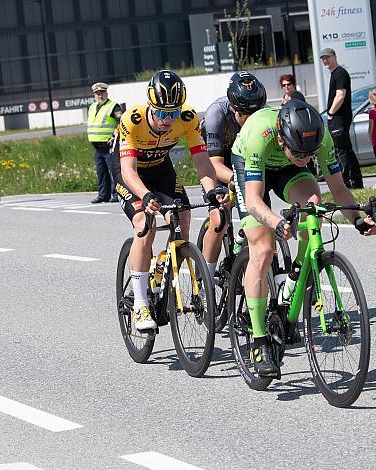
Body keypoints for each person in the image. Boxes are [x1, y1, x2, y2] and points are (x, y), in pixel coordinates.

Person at [231, 100, 376, 377]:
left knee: (313, 205)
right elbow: (252, 200)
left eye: (310, 154)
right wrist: (275, 223)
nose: (307, 158)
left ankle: (293, 280)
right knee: (263, 249)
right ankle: (260, 342)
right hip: (251, 166)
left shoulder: (318, 139)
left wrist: (358, 219)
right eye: (300, 152)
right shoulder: (258, 135)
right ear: (282, 136)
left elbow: (339, 189)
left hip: (286, 169)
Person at [114, 70, 226, 331]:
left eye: (172, 113)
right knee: (145, 223)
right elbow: (128, 172)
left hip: (160, 169)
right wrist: (146, 196)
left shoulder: (188, 119)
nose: (167, 119)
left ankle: (164, 265)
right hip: (129, 171)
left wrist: (210, 192)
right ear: (150, 106)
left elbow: (203, 164)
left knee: (183, 215)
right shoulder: (133, 119)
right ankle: (141, 304)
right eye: (162, 113)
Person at [200, 71, 267, 276]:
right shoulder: (216, 114)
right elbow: (214, 165)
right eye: (244, 115)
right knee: (220, 221)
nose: (250, 121)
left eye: (254, 115)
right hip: (219, 162)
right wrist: (237, 180)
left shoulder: (260, 113)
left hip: (245, 161)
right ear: (232, 106)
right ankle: (206, 282)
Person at [320, 47, 363, 189]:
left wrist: (331, 113)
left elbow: (340, 95)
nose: (325, 60)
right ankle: (357, 181)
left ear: (334, 57)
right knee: (347, 149)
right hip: (339, 117)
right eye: (323, 58)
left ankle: (345, 182)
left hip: (340, 117)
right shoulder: (335, 74)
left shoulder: (340, 73)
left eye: (328, 57)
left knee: (341, 150)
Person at [87, 82, 123, 203]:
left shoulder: (113, 106)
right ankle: (103, 195)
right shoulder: (92, 107)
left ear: (106, 93)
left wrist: (114, 136)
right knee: (101, 172)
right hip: (97, 146)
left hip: (109, 145)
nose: (100, 95)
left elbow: (121, 122)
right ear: (94, 95)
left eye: (102, 93)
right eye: (97, 93)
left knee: (113, 171)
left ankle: (117, 194)